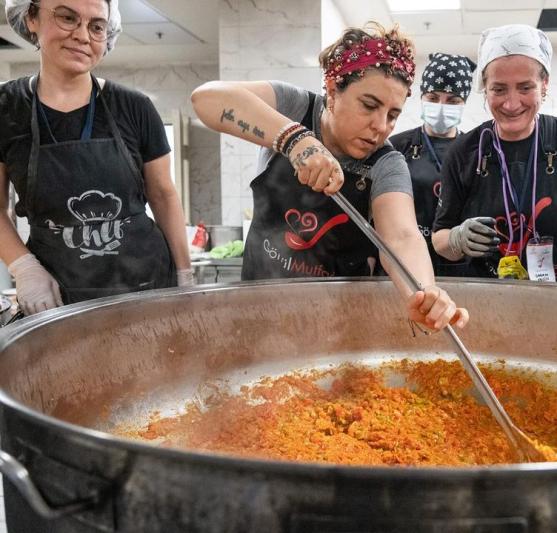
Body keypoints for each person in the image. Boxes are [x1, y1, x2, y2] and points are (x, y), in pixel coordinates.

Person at [191, 23, 468, 331]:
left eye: (392, 115)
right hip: (260, 309)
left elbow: (401, 236)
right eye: (369, 105)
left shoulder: (387, 163)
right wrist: (294, 139)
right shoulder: (295, 107)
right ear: (334, 89)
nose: (381, 126)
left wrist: (424, 293)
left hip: (338, 324)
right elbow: (206, 99)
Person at [0, 0, 193, 316]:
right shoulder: (6, 108)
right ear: (31, 17)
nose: (82, 35)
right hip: (58, 297)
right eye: (66, 17)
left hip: (147, 288)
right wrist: (24, 267)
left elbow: (163, 195)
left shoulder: (135, 107)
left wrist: (185, 278)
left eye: (96, 26)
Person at [432, 24, 557, 284]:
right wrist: (456, 240)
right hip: (493, 292)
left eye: (525, 88)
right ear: (484, 89)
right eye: (498, 89)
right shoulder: (464, 151)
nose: (511, 103)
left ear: (544, 85)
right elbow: (440, 238)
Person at [389, 52, 477, 276]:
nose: (441, 106)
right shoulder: (398, 146)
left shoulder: (475, 150)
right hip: (405, 263)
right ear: (421, 97)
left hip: (457, 265)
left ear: (464, 102)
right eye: (433, 97)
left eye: (453, 100)